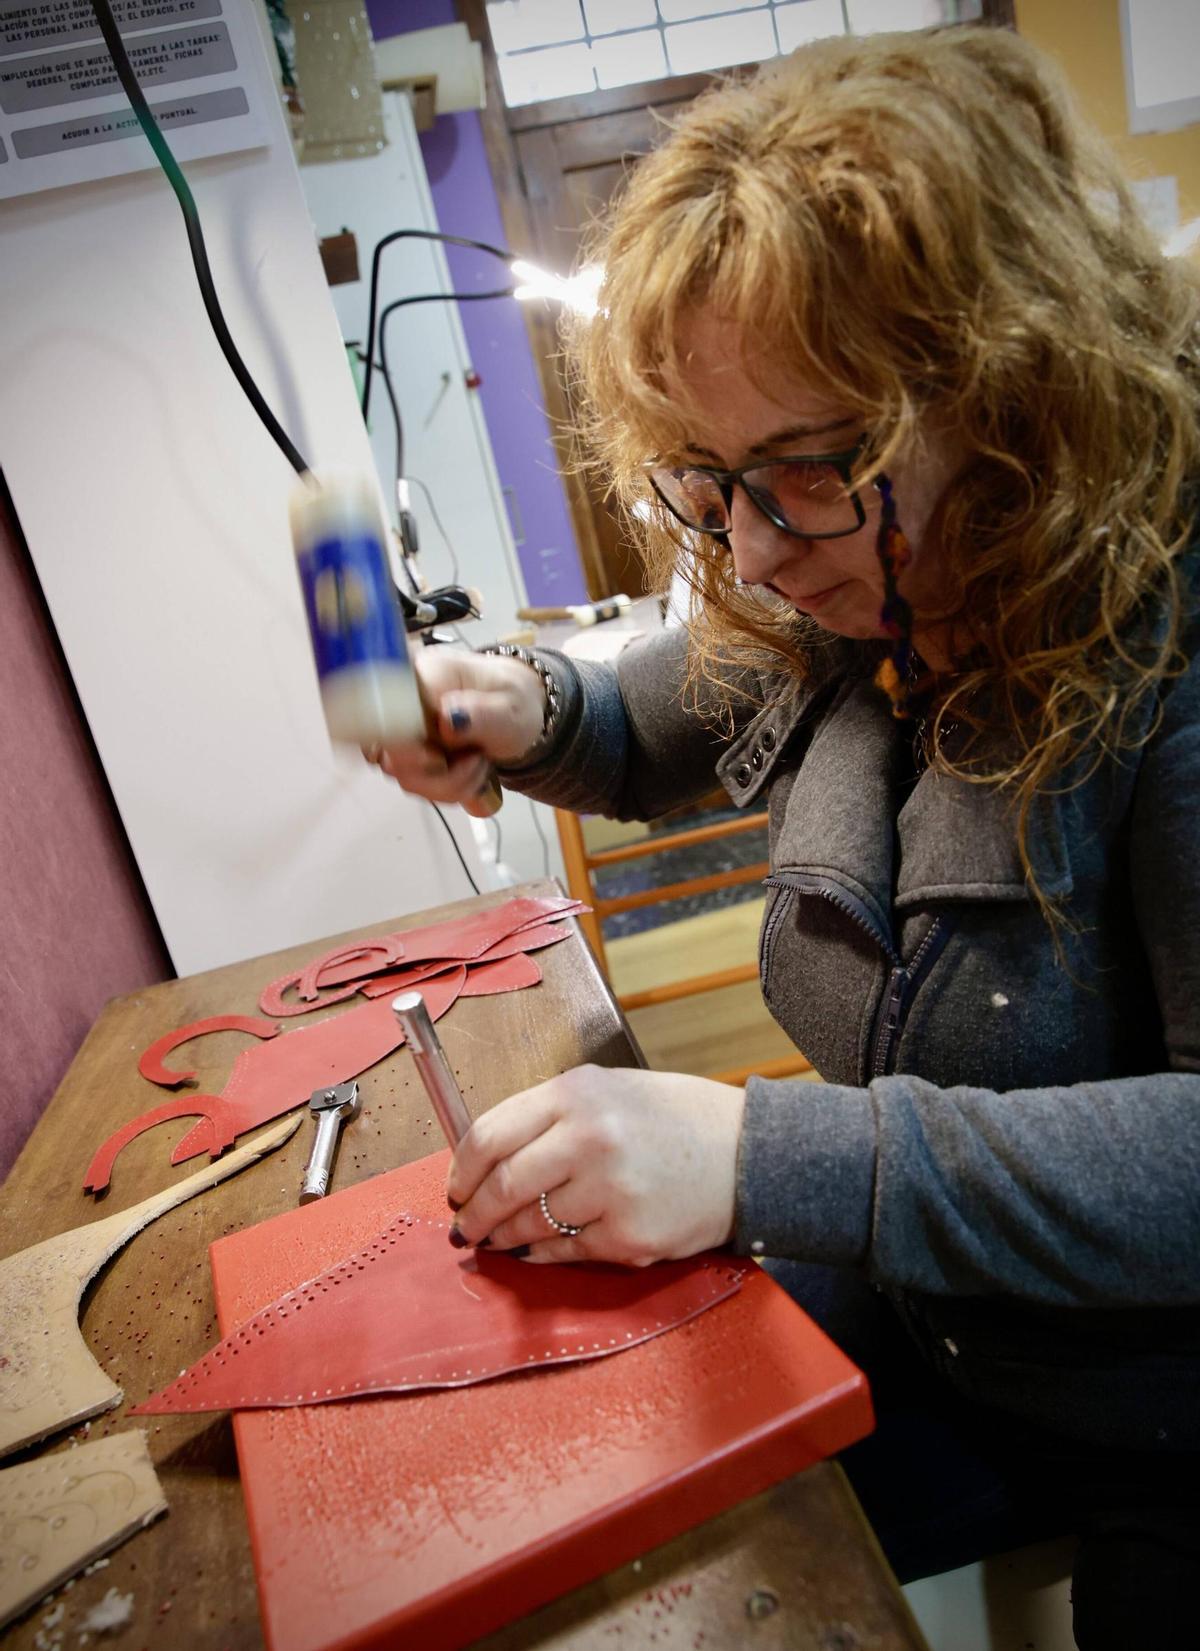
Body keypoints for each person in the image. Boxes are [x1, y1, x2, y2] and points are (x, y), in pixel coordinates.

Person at [366, 26, 1200, 1648]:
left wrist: (761, 1155)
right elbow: (646, 723)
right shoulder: (859, 593)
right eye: (708, 482)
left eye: (809, 473)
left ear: (1021, 401)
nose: (747, 546)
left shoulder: (1170, 662)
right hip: (946, 1325)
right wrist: (514, 705)